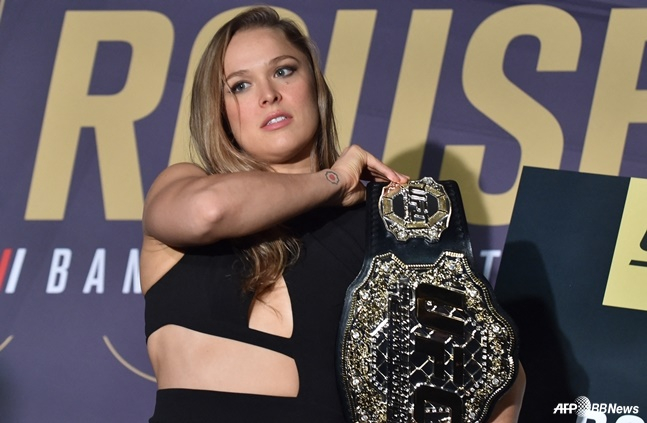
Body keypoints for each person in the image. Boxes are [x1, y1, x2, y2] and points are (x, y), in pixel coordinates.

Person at [140, 5, 525, 422]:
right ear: (219, 111)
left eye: (283, 71)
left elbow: (496, 376)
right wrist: (335, 181)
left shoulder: (386, 228)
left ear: (315, 86)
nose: (268, 94)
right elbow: (210, 211)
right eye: (240, 85)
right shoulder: (183, 186)